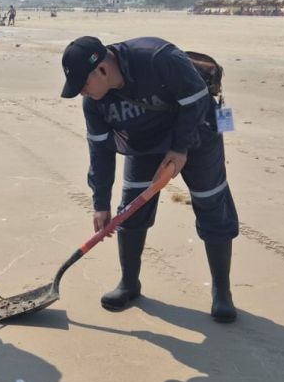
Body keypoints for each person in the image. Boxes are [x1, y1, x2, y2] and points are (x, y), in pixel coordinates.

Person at [60, 36, 239, 322]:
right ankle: (129, 284)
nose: (82, 92)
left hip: (196, 134)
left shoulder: (157, 57)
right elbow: (100, 151)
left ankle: (222, 293)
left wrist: (180, 148)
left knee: (212, 204)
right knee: (131, 209)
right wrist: (100, 203)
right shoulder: (94, 103)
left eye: (83, 84)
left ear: (102, 71)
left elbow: (196, 99)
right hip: (143, 143)